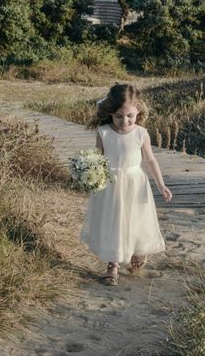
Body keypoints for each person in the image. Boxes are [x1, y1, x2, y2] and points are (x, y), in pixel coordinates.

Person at [80, 84, 172, 286]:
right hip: (110, 185)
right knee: (114, 223)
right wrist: (90, 175)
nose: (125, 121)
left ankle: (136, 252)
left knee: (134, 220)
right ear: (111, 113)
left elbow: (150, 160)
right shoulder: (103, 132)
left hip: (135, 183)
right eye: (119, 116)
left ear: (138, 111)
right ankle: (112, 265)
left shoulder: (141, 133)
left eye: (130, 116)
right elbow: (98, 159)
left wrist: (161, 184)